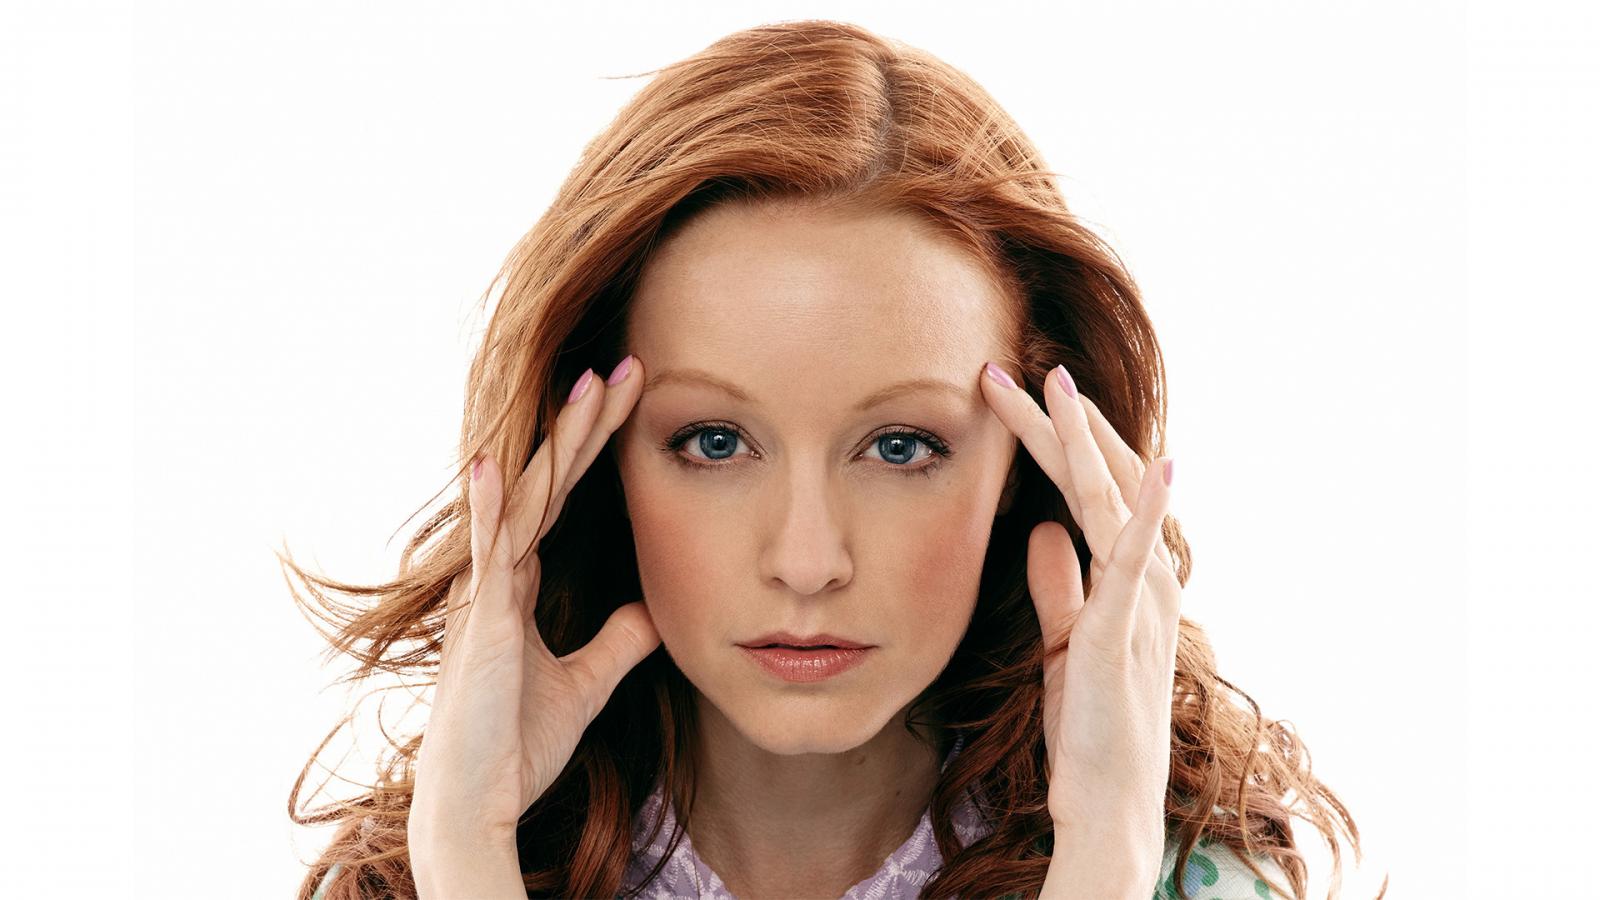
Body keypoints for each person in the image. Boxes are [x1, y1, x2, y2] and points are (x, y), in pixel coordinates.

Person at [289, 19, 1375, 900]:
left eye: (900, 447)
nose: (807, 563)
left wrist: (1102, 864)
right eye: (715, 442)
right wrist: (467, 858)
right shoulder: (429, 875)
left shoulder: (1186, 883)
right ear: (594, 461)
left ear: (1029, 465)